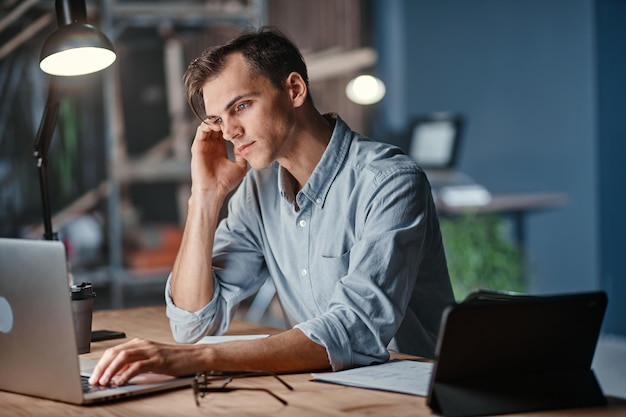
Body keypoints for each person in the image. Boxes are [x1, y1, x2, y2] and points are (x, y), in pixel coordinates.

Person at [90, 26, 454, 387]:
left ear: (294, 90)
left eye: (241, 106)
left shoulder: (389, 181)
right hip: (324, 391)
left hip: (417, 396)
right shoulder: (258, 189)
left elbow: (355, 330)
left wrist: (200, 360)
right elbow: (192, 323)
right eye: (218, 120)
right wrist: (204, 196)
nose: (229, 131)